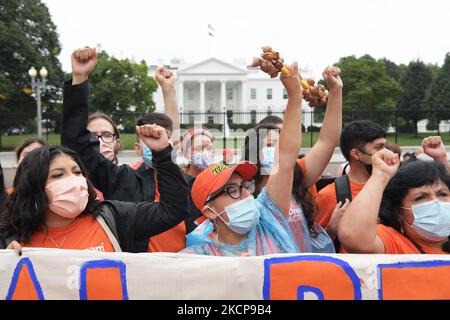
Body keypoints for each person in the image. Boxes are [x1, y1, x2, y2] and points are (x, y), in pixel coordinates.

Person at [181, 61, 330, 256]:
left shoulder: (268, 216)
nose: (245, 195)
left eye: (244, 186)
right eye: (232, 190)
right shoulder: (198, 257)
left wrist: (294, 96)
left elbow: (284, 160)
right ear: (209, 211)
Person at [0, 124, 189, 254]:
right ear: (34, 186)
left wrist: (163, 154)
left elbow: (172, 210)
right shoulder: (9, 239)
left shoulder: (112, 218)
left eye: (76, 172)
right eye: (58, 175)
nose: (73, 181)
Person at [241, 66, 343, 249]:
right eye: (272, 145)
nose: (280, 150)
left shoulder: (298, 176)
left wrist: (335, 92)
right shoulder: (241, 191)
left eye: (282, 143)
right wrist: (294, 95)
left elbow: (327, 142)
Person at [338, 149, 450, 254]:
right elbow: (352, 236)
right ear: (399, 213)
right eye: (421, 197)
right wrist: (381, 175)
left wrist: (442, 159)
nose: (436, 202)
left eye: (442, 194)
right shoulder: (394, 243)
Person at [314, 120, 387, 236]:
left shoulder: (392, 186)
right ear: (356, 154)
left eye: (385, 147)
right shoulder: (329, 195)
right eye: (379, 148)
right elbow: (315, 246)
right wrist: (331, 230)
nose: (386, 153)